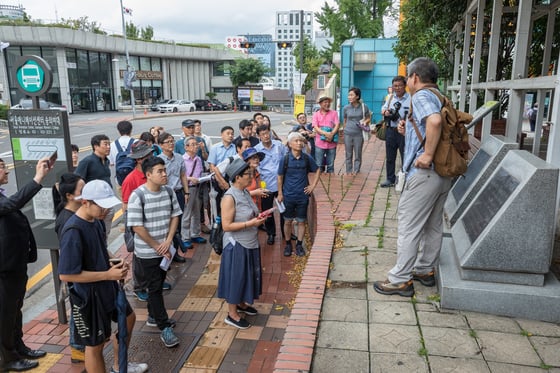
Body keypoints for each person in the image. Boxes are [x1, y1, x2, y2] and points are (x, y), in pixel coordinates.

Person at [373, 57, 453, 297]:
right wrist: (407, 129)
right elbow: (432, 123)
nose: (407, 81)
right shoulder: (441, 96)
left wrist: (427, 154)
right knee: (433, 224)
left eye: (408, 77)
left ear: (415, 77)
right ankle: (424, 268)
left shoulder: (420, 96)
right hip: (442, 172)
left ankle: (400, 279)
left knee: (409, 225)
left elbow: (435, 121)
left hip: (425, 173)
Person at [58, 180, 148, 373]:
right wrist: (107, 274)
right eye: (101, 206)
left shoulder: (95, 222)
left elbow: (101, 249)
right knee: (95, 345)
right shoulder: (73, 230)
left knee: (128, 318)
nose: (106, 211)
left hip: (107, 288)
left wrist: (116, 261)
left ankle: (118, 364)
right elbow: (66, 275)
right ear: (85, 202)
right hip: (88, 297)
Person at [0, 157, 51, 373]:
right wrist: (38, 178)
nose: (6, 169)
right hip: (4, 269)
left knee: (15, 309)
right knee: (5, 315)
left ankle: (19, 347)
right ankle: (8, 359)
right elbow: (13, 204)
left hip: (14, 264)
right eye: (1, 167)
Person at [127, 157, 181, 348]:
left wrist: (167, 241)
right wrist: (156, 245)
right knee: (155, 288)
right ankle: (164, 326)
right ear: (148, 174)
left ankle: (152, 316)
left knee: (156, 286)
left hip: (165, 250)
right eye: (160, 171)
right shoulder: (138, 196)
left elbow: (175, 215)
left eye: (165, 170)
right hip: (147, 252)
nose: (165, 174)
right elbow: (137, 226)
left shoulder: (168, 191)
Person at [217, 158, 267, 330]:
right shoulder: (229, 197)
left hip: (250, 241)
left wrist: (259, 216)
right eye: (248, 175)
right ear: (237, 177)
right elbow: (226, 226)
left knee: (247, 276)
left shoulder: (244, 192)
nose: (251, 177)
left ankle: (241, 304)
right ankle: (232, 314)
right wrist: (251, 224)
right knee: (236, 278)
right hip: (237, 244)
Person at [121, 141, 172, 301]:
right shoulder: (131, 179)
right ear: (139, 159)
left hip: (157, 222)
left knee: (158, 255)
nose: (151, 157)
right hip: (139, 224)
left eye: (151, 154)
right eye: (147, 156)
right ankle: (139, 286)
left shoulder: (160, 180)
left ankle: (156, 280)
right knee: (140, 257)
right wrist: (132, 227)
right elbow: (126, 205)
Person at [53, 173, 86, 363]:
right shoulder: (67, 220)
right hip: (77, 273)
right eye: (82, 191)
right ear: (69, 196)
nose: (86, 194)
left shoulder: (73, 213)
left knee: (78, 309)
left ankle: (78, 346)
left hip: (80, 270)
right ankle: (77, 347)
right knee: (78, 310)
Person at [277, 132, 320, 257]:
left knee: (301, 221)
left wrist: (312, 186)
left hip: (302, 196)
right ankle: (288, 244)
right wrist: (280, 193)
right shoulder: (284, 159)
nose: (299, 143)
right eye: (296, 141)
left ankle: (299, 245)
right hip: (288, 195)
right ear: (290, 144)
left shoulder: (306, 158)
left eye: (301, 141)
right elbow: (280, 177)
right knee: (287, 221)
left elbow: (317, 170)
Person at [157, 132, 190, 263]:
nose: (171, 143)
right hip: (164, 194)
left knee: (178, 224)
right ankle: (164, 254)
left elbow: (183, 176)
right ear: (160, 145)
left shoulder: (179, 157)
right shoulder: (158, 160)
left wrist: (186, 192)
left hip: (178, 193)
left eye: (172, 141)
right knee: (166, 225)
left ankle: (175, 252)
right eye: (167, 141)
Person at [74, 134, 115, 239]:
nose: (108, 147)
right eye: (105, 144)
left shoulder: (106, 161)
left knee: (104, 234)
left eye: (109, 144)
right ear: (96, 146)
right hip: (95, 205)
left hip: (107, 203)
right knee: (95, 234)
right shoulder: (87, 162)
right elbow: (77, 182)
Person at [255, 125, 288, 245]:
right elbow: (256, 168)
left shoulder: (279, 145)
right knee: (268, 211)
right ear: (259, 136)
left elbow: (286, 158)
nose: (266, 136)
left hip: (281, 184)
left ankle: (286, 233)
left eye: (267, 133)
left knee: (284, 209)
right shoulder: (257, 150)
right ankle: (271, 234)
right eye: (262, 134)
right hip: (266, 184)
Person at [380, 76, 410, 187]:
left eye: (400, 85)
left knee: (405, 155)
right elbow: (382, 109)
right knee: (390, 156)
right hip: (391, 130)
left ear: (405, 86)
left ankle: (406, 179)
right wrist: (385, 112)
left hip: (404, 131)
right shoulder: (390, 98)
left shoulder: (410, 99)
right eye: (395, 86)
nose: (397, 88)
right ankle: (390, 179)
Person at [181, 136, 207, 249]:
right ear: (186, 147)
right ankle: (185, 238)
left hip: (198, 187)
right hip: (188, 188)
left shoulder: (198, 159)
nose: (196, 146)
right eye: (193, 144)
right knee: (187, 214)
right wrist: (190, 179)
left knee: (197, 212)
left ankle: (195, 234)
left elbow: (200, 172)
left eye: (196, 144)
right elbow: (180, 177)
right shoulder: (182, 159)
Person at [208, 126, 236, 216]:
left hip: (231, 179)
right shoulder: (215, 148)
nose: (230, 136)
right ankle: (217, 223)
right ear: (222, 135)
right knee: (217, 202)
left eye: (232, 134)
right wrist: (220, 181)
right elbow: (212, 166)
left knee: (231, 201)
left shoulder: (235, 148)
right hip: (217, 179)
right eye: (228, 133)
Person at [343, 87, 371, 175]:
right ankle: (348, 171)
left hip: (359, 134)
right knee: (348, 154)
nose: (349, 97)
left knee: (358, 153)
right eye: (349, 95)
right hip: (347, 133)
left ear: (357, 96)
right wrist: (344, 130)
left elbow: (368, 117)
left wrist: (365, 122)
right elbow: (344, 119)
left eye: (351, 95)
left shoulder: (363, 107)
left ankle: (356, 170)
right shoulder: (346, 108)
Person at [194, 120, 212, 233]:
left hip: (203, 174)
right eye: (194, 126)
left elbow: (207, 157)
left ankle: (207, 223)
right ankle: (195, 226)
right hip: (190, 177)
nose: (196, 128)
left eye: (198, 125)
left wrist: (202, 149)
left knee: (206, 200)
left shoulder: (204, 139)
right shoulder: (182, 141)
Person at [312, 96, 339, 173]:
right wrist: (326, 134)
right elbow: (315, 127)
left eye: (328, 102)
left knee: (331, 165)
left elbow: (337, 124)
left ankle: (330, 181)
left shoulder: (334, 113)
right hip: (320, 143)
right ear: (320, 104)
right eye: (325, 102)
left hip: (332, 142)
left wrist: (332, 134)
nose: (327, 104)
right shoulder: (316, 114)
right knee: (319, 164)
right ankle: (319, 182)